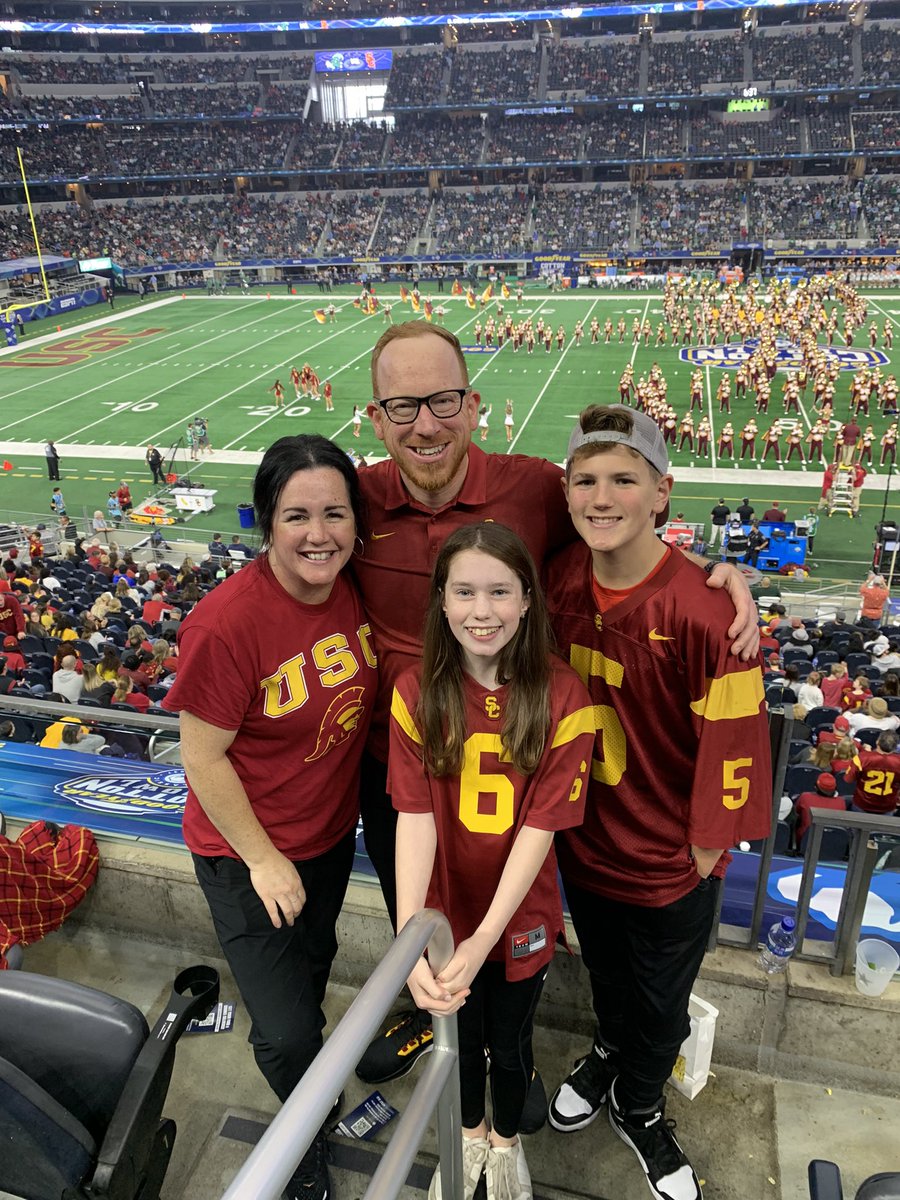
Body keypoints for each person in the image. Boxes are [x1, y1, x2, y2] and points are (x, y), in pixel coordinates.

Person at [352, 323, 758, 1093]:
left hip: (518, 748)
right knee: (421, 896)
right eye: (402, 407)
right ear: (376, 419)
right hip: (402, 755)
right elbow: (292, 540)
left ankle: (508, 1043)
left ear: (472, 406)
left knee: (509, 894)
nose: (425, 425)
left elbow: (615, 522)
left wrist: (710, 569)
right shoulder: (355, 496)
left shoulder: (538, 484)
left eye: (442, 401)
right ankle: (436, 1002)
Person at [544, 405, 771, 1200]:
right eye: (586, 480)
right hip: (585, 838)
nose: (602, 497)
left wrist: (705, 848)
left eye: (623, 480)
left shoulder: (704, 608)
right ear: (566, 493)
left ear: (662, 494)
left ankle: (640, 1106)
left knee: (663, 1003)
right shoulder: (558, 578)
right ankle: (610, 1051)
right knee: (608, 974)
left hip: (670, 856)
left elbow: (738, 742)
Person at [163, 435, 377, 1200]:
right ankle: (304, 1133)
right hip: (246, 852)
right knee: (285, 1028)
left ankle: (316, 1081)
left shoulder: (359, 584)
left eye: (333, 513)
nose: (318, 533)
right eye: (296, 516)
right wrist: (262, 858)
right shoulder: (228, 623)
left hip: (323, 837)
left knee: (311, 981)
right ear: (266, 521)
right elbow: (203, 757)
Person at [391, 523, 594, 1200]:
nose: (483, 610)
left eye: (500, 591)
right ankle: (470, 1136)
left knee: (508, 1047)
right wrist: (408, 938)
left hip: (515, 914)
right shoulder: (415, 689)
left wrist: (483, 939)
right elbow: (415, 816)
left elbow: (539, 830)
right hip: (447, 911)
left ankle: (505, 1148)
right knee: (457, 1043)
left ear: (528, 599)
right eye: (466, 591)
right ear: (442, 602)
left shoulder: (564, 696)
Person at [845, 731, 900, 814]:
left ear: (877, 741)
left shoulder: (862, 758)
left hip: (862, 804)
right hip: (886, 806)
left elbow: (848, 779)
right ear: (895, 747)